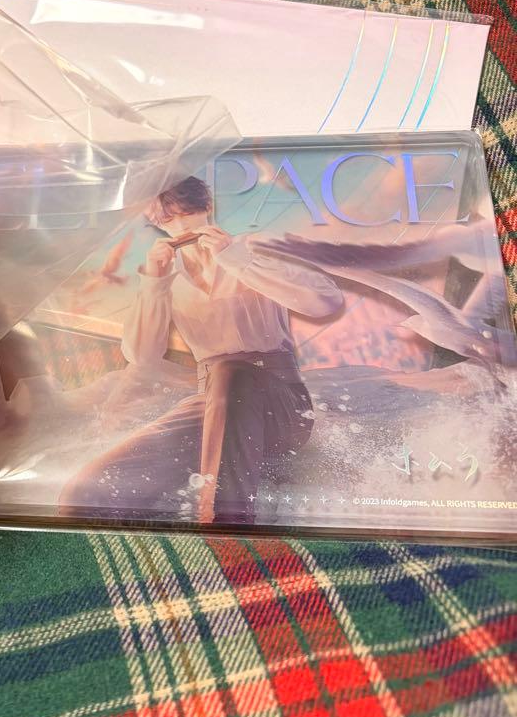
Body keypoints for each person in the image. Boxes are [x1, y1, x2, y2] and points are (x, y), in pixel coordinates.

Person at [59, 176, 344, 525]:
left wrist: (236, 260)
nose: (180, 226)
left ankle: (226, 525)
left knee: (230, 372)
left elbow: (326, 302)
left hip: (282, 404)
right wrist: (154, 282)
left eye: (187, 212)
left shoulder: (252, 249)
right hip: (211, 403)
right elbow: (141, 357)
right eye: (167, 219)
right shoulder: (168, 275)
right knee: (85, 494)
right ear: (155, 222)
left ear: (207, 207)